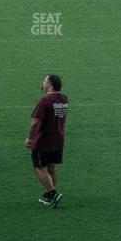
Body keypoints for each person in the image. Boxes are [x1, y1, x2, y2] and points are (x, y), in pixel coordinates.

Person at [27, 73, 69, 208]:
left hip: (43, 140)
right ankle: (48, 195)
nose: (42, 84)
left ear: (50, 84)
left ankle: (52, 193)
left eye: (44, 82)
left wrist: (31, 138)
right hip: (58, 139)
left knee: (39, 167)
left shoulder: (44, 101)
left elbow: (35, 121)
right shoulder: (64, 99)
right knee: (51, 167)